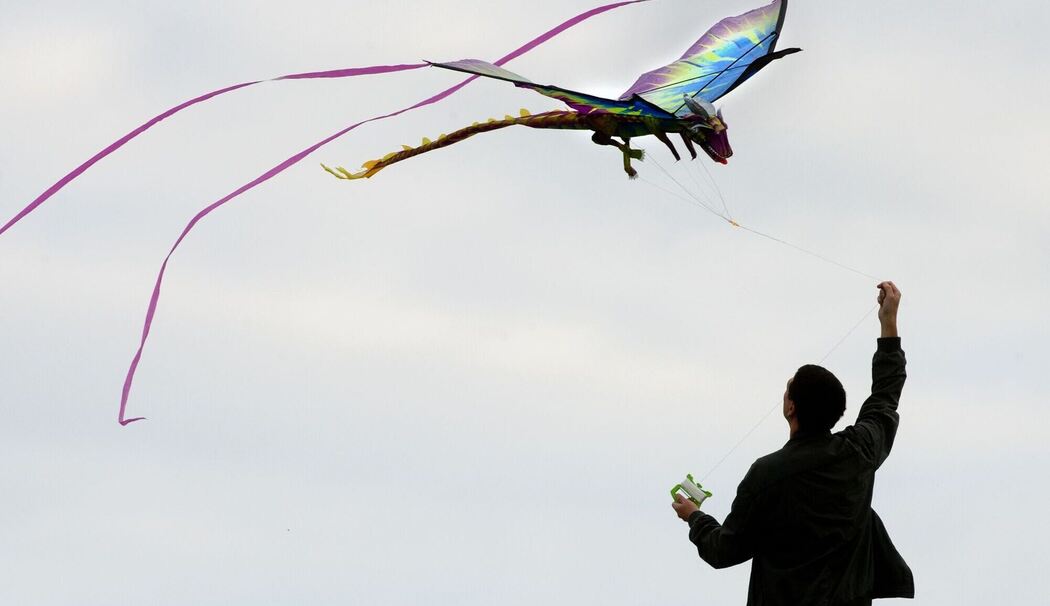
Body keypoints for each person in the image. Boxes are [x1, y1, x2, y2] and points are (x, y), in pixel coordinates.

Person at [671, 281, 913, 605]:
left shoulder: (767, 474)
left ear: (791, 408)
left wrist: (695, 517)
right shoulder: (860, 451)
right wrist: (888, 324)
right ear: (838, 413)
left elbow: (724, 550)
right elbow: (885, 395)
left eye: (788, 390)